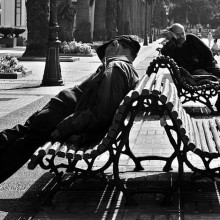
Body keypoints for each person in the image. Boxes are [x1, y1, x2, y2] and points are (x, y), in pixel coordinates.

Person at [0, 35, 140, 184]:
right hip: (58, 111)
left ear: (116, 45)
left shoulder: (115, 67)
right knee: (19, 134)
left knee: (22, 143)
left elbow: (104, 110)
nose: (104, 55)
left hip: (59, 115)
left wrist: (66, 126)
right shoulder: (123, 68)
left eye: (106, 49)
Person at [161, 23, 220, 110]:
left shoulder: (191, 38)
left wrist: (209, 67)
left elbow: (207, 52)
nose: (181, 36)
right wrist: (173, 39)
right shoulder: (171, 47)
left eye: (183, 33)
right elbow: (164, 52)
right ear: (172, 34)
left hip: (208, 66)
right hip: (194, 73)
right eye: (178, 34)